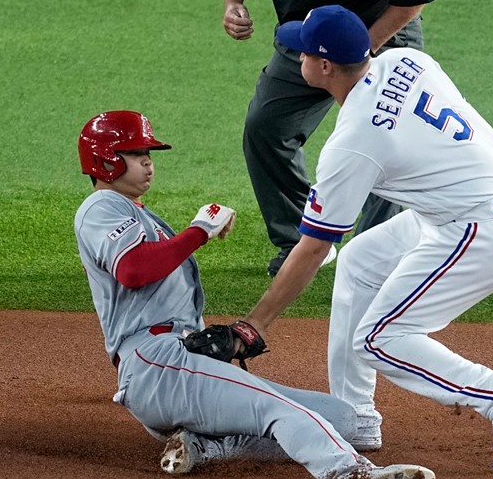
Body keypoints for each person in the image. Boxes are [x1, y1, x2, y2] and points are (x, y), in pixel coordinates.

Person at [186, 6, 493, 473]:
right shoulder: (405, 61)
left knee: (378, 338)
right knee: (359, 261)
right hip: (484, 203)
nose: (296, 56)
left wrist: (252, 326)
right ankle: (355, 418)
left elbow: (313, 248)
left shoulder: (353, 142)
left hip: (482, 231)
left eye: (303, 51)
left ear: (324, 67)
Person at [72, 110, 435, 479]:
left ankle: (210, 446)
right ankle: (348, 471)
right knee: (276, 409)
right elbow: (133, 270)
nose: (148, 163)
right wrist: (199, 231)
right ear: (105, 160)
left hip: (182, 358)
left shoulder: (134, 213)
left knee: (344, 419)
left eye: (148, 154)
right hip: (156, 366)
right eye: (136, 154)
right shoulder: (100, 207)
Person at [215, 0, 442, 276]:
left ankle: (377, 252)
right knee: (267, 128)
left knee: (386, 135)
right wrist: (233, 4)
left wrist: (362, 48)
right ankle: (303, 243)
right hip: (306, 34)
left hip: (382, 34)